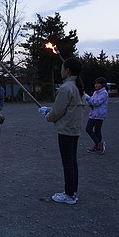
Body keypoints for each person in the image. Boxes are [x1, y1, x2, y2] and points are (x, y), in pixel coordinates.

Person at [38, 58, 85, 205]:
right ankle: (73, 192)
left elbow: (57, 112)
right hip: (74, 129)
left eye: (62, 68)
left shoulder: (66, 88)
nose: (61, 70)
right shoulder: (78, 87)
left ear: (68, 70)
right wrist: (50, 110)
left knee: (68, 163)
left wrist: (48, 115)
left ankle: (69, 194)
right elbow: (65, 109)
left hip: (66, 130)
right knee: (72, 162)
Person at [85, 77, 109, 154]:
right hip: (93, 114)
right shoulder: (95, 92)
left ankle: (98, 145)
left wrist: (87, 97)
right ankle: (98, 144)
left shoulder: (104, 93)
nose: (96, 85)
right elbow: (91, 103)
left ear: (103, 84)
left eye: (98, 83)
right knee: (88, 129)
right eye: (95, 83)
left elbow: (96, 102)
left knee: (97, 130)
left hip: (99, 115)